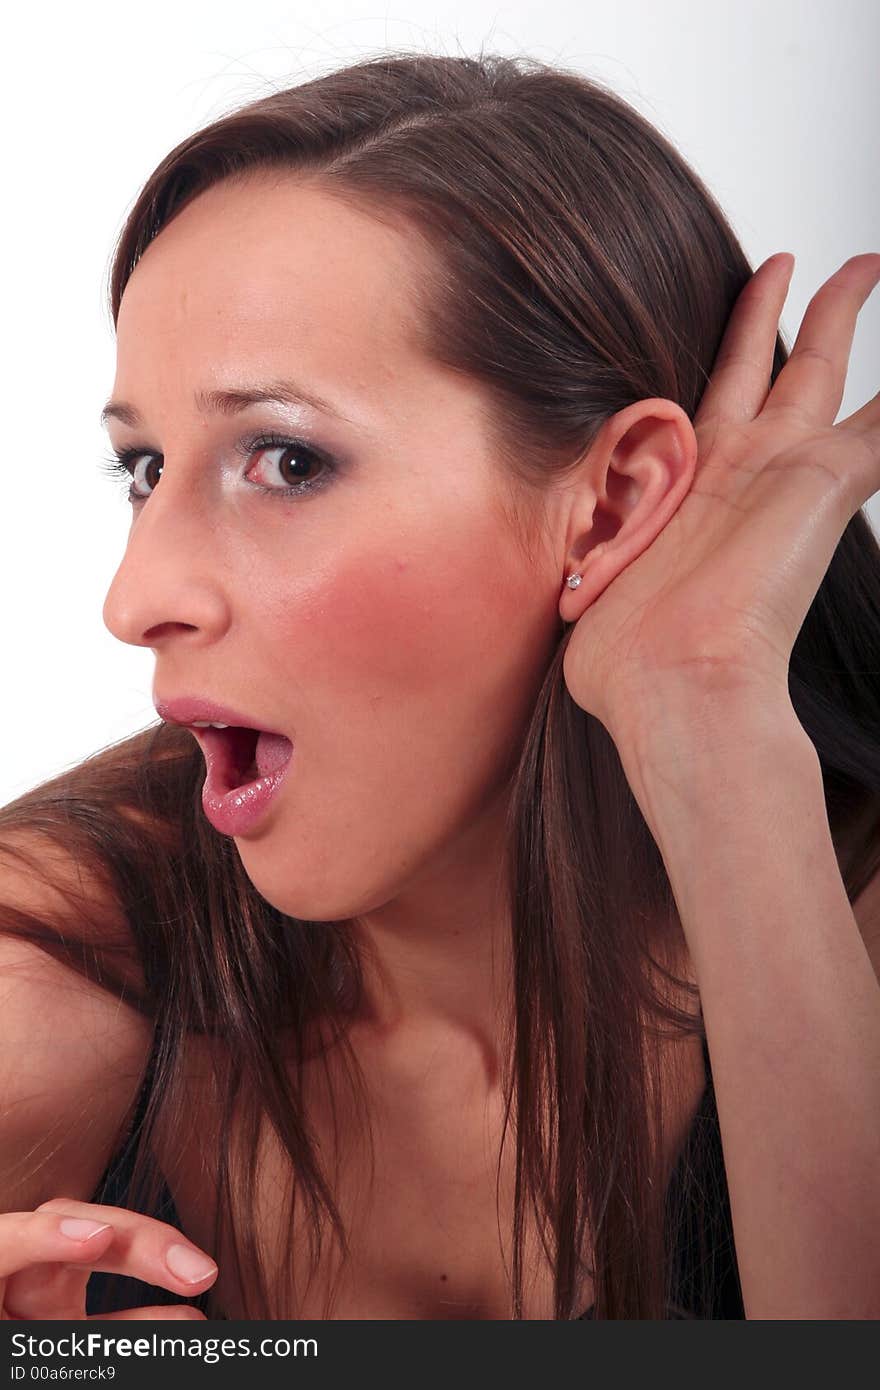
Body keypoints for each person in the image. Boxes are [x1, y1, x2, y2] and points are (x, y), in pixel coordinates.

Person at [1, 51, 879, 1322]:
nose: (137, 597)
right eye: (144, 467)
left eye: (287, 459)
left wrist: (709, 705)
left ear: (614, 503)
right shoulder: (61, 964)